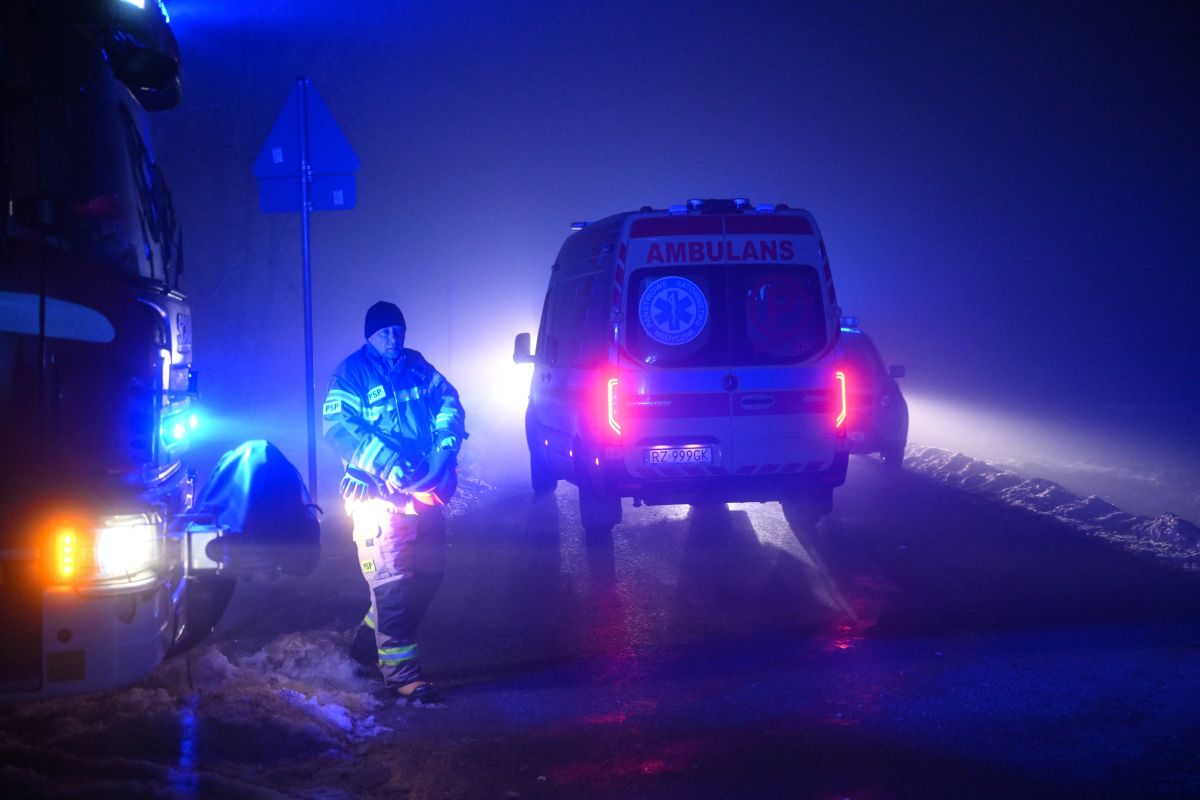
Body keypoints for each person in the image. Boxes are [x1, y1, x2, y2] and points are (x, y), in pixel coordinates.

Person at [323, 300, 466, 704]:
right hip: (378, 501)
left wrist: (444, 448)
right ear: (369, 335)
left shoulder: (416, 364)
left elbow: (449, 402)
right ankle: (403, 678)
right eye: (385, 332)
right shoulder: (351, 374)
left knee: (428, 577)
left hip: (423, 496)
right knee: (394, 588)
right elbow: (339, 430)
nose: (393, 338)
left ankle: (366, 648)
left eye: (398, 331)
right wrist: (387, 466)